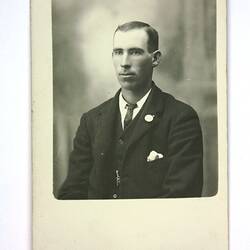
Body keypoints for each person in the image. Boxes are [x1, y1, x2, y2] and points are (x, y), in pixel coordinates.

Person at [57, 21, 203, 199]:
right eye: (118, 52)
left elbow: (182, 196)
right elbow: (72, 193)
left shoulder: (180, 118)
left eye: (135, 52)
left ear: (155, 59)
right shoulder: (91, 120)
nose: (124, 63)